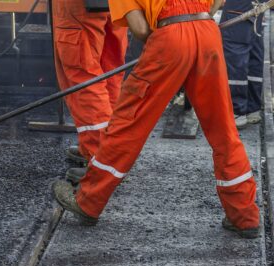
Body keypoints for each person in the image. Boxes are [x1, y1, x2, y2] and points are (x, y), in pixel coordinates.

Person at [53, 0, 260, 239]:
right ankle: (244, 216)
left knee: (128, 123)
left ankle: (87, 202)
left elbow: (140, 29)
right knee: (224, 131)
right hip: (207, 33)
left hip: (169, 38)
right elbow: (216, 3)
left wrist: (168, 39)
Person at [52, 0, 128, 183]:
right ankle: (112, 152)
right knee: (109, 71)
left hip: (79, 9)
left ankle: (101, 161)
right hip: (118, 6)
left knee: (83, 75)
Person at [220, 0, 264, 129]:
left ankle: (237, 111)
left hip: (238, 7)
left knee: (235, 56)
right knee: (253, 52)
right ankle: (252, 108)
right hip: (255, 6)